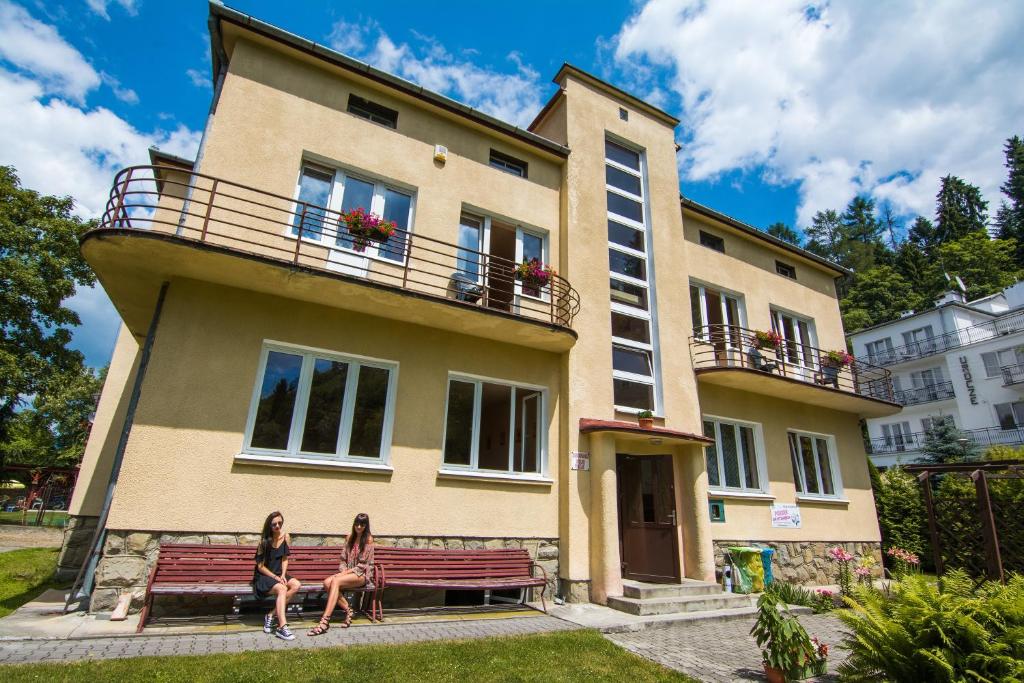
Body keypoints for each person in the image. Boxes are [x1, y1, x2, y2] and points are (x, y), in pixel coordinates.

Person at [308, 512, 374, 636]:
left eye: (362, 524)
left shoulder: (368, 540)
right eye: (357, 524)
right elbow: (343, 559)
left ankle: (325, 621)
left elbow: (362, 565)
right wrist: (343, 571)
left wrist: (342, 575)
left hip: (362, 575)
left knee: (336, 581)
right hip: (348, 573)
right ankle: (348, 610)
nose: (359, 527)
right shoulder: (349, 537)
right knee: (327, 582)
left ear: (366, 526)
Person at [253, 511, 301, 640]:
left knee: (296, 585)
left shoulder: (285, 537)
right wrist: (275, 577)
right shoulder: (263, 542)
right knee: (282, 588)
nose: (278, 526)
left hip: (279, 574)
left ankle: (270, 615)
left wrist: (284, 575)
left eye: (280, 523)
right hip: (264, 576)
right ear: (269, 525)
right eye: (274, 524)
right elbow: (260, 567)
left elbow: (285, 559)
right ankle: (282, 627)